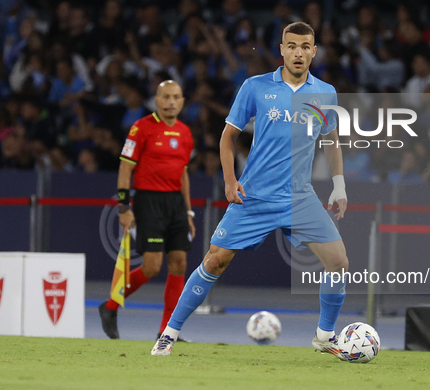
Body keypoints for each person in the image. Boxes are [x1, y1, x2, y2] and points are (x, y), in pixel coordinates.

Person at [151, 22, 349, 358]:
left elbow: (330, 140)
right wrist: (230, 180)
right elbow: (227, 137)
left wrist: (339, 185)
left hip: (299, 197)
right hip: (254, 196)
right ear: (282, 50)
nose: (298, 52)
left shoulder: (325, 93)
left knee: (339, 262)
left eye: (305, 46)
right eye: (292, 46)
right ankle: (169, 334)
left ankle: (325, 336)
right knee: (214, 261)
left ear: (314, 51)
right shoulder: (256, 87)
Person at [98, 80, 196, 339]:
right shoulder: (141, 128)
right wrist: (123, 207)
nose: (171, 102)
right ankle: (109, 306)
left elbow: (183, 174)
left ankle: (166, 331)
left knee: (180, 262)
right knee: (152, 266)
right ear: (157, 100)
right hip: (148, 201)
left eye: (176, 97)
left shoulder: (186, 132)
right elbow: (125, 169)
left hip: (175, 202)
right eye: (166, 97)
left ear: (183, 101)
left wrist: (188, 212)